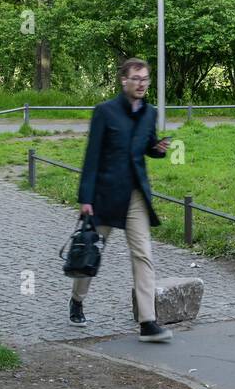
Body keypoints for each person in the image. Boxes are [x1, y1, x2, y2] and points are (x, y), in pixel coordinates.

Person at [71, 57, 173, 342]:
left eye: (145, 79)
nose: (142, 83)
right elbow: (91, 157)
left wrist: (158, 149)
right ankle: (77, 300)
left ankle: (147, 322)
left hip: (135, 196)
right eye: (136, 78)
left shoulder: (150, 113)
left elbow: (147, 146)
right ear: (123, 80)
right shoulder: (104, 112)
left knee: (143, 255)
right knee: (91, 253)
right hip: (104, 195)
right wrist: (86, 198)